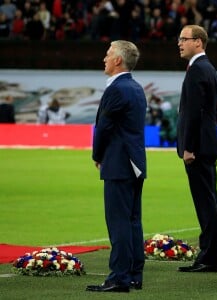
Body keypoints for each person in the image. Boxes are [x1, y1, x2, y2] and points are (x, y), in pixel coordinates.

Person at [86, 40, 147, 293]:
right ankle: (133, 274)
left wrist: (97, 155)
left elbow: (104, 128)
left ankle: (118, 278)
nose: (104, 58)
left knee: (118, 221)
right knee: (133, 219)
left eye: (108, 54)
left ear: (118, 61)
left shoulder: (116, 90)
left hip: (118, 163)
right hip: (135, 162)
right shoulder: (136, 88)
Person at [176, 25, 217, 273]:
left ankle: (209, 257)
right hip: (207, 145)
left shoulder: (197, 69)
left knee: (206, 203)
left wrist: (189, 147)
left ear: (199, 42)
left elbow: (194, 112)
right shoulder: (207, 68)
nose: (179, 43)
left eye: (184, 39)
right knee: (210, 201)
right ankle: (211, 256)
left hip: (199, 148)